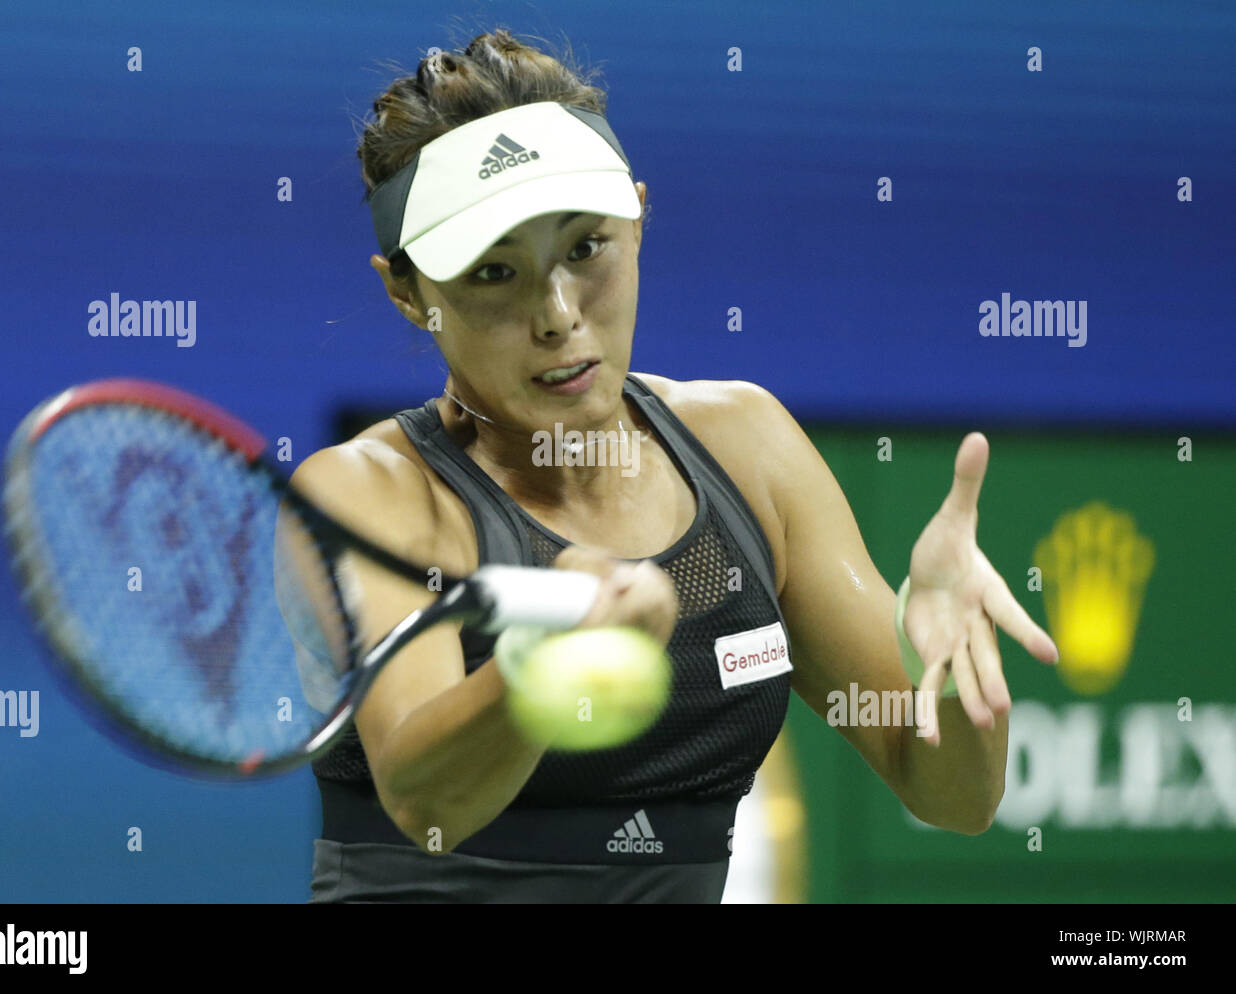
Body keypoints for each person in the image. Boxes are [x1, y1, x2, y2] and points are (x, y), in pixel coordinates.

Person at [298, 28, 1059, 903]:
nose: (556, 315)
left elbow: (951, 793)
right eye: (495, 272)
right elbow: (425, 800)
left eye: (586, 249)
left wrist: (954, 673)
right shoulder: (367, 493)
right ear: (408, 292)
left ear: (639, 216)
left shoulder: (749, 445)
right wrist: (540, 670)